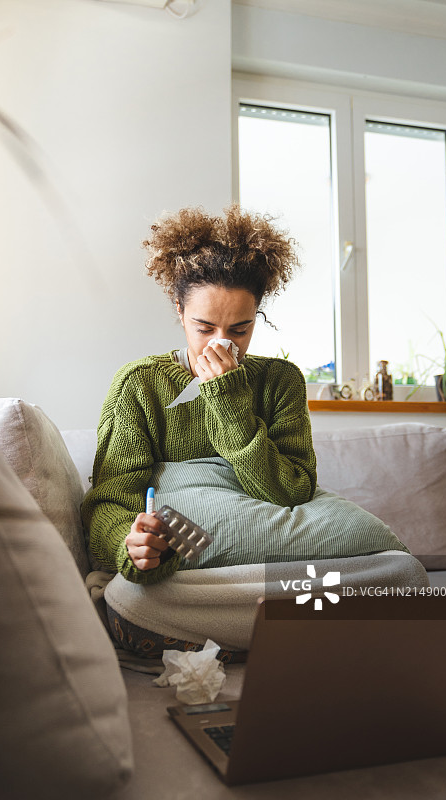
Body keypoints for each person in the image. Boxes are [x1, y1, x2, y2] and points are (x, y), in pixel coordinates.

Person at [81, 204, 317, 586]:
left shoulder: (281, 381)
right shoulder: (139, 385)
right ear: (180, 311)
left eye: (239, 330)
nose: (220, 344)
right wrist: (131, 543)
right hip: (177, 570)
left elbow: (292, 492)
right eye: (204, 328)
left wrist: (228, 400)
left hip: (266, 556)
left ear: (256, 316)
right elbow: (110, 501)